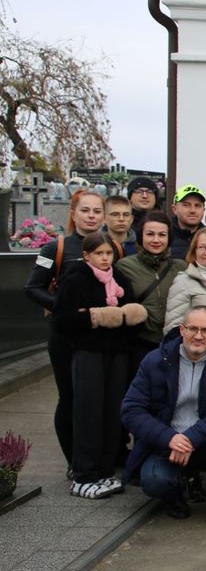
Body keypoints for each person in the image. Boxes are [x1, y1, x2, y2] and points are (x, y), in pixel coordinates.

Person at [121, 305, 206, 531]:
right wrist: (169, 438)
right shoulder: (155, 360)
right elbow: (131, 410)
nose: (198, 336)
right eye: (192, 329)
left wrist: (190, 438)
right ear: (181, 329)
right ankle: (175, 495)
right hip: (167, 442)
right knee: (154, 482)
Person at [52, 232, 146, 499]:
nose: (105, 258)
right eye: (99, 253)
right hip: (88, 353)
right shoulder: (76, 278)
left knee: (112, 412)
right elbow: (62, 319)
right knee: (88, 412)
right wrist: (96, 317)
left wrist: (129, 316)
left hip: (117, 354)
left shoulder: (119, 278)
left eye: (108, 253)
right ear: (87, 255)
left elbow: (130, 312)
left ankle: (104, 470)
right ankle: (83, 474)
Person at [25, 189, 106, 466]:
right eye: (85, 210)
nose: (91, 216)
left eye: (97, 211)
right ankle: (74, 461)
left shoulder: (112, 248)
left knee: (98, 399)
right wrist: (64, 306)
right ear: (74, 214)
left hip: (99, 335)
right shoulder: (54, 249)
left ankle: (99, 457)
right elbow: (32, 288)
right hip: (66, 336)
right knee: (69, 397)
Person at [116, 212, 189, 367]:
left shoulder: (181, 267)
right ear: (141, 236)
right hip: (139, 343)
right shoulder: (125, 266)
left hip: (174, 344)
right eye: (150, 234)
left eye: (162, 235)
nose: (156, 240)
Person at [168, 184, 206, 259]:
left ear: (203, 210)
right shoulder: (163, 235)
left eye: (197, 205)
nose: (192, 210)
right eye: (186, 205)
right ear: (174, 209)